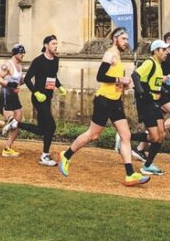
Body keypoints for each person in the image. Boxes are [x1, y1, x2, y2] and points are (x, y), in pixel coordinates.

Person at [58, 29, 150, 187]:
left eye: (127, 39)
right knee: (92, 135)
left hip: (115, 101)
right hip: (104, 101)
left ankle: (130, 174)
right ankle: (65, 156)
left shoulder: (118, 55)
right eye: (123, 38)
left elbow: (113, 81)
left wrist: (122, 86)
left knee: (126, 135)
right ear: (115, 39)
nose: (126, 41)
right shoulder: (110, 55)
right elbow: (100, 76)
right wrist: (120, 79)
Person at [134, 30, 170, 162]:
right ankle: (141, 141)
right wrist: (143, 91)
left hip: (166, 93)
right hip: (159, 95)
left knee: (157, 130)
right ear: (166, 43)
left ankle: (139, 149)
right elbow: (144, 75)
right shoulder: (157, 60)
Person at [123, 39, 170, 176]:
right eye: (163, 50)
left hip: (155, 103)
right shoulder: (150, 62)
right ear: (156, 51)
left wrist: (164, 92)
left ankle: (148, 165)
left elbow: (155, 84)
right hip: (147, 103)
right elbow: (135, 75)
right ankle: (126, 137)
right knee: (155, 137)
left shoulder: (159, 65)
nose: (166, 52)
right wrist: (142, 92)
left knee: (161, 135)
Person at [21, 35, 66, 167]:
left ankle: (15, 124)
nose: (56, 46)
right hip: (38, 98)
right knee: (51, 126)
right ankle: (45, 156)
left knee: (42, 130)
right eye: (53, 43)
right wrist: (36, 92)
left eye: (56, 43)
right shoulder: (38, 61)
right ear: (46, 45)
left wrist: (60, 86)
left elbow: (53, 77)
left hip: (48, 97)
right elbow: (27, 79)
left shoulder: (56, 60)